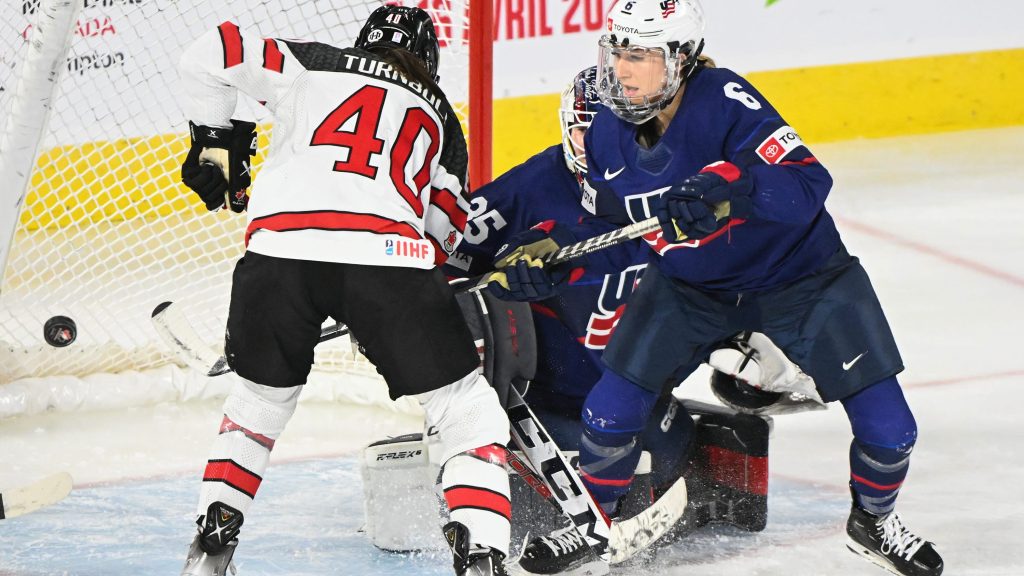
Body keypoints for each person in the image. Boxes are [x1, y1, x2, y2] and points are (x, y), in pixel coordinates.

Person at [485, 1, 944, 576]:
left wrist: (733, 184)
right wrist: (556, 260)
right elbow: (620, 228)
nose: (622, 70)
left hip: (802, 279)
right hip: (690, 286)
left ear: (680, 59)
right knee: (609, 410)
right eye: (618, 52)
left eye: (641, 56)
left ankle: (873, 522)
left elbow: (808, 181)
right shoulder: (605, 129)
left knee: (891, 430)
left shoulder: (726, 102)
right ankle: (592, 527)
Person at [176, 7, 512, 576]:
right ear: (429, 62)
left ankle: (214, 538)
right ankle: (480, 553)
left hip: (276, 256)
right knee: (464, 408)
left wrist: (212, 141)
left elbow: (207, 53)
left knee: (259, 403)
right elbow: (446, 231)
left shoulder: (311, 61)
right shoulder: (438, 114)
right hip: (385, 263)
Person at [451, 66, 817, 575]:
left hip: (641, 390)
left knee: (673, 448)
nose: (597, 144)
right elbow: (442, 263)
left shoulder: (683, 186)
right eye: (585, 129)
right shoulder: (528, 190)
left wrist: (754, 339)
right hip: (549, 396)